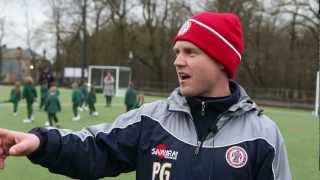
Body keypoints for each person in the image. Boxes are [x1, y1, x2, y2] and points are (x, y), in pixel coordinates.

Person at [0, 12, 291, 180]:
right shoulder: (150, 121)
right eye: (177, 52)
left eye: (191, 52)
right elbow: (93, 149)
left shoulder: (262, 136)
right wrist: (39, 143)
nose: (178, 61)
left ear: (221, 62)